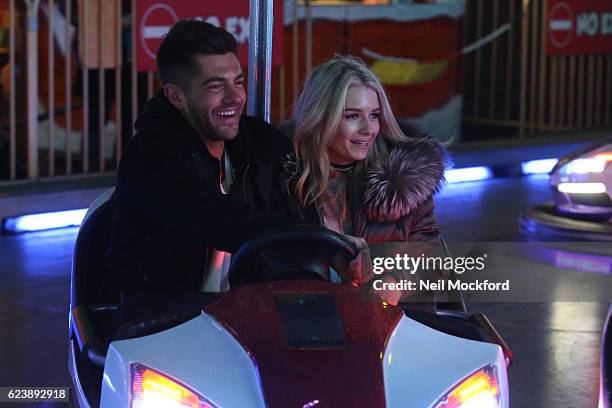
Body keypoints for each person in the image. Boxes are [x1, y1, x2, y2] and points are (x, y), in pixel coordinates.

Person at [103, 20, 296, 302]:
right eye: (216, 86)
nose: (235, 98)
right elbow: (217, 218)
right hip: (159, 320)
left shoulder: (257, 142)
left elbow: (302, 187)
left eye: (238, 82)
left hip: (241, 314)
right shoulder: (149, 157)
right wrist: (302, 237)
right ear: (176, 96)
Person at [275, 56, 448, 295]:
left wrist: (394, 283)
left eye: (375, 115)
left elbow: (435, 263)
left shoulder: (402, 180)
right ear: (320, 117)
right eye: (352, 116)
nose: (369, 129)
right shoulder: (279, 177)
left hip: (389, 323)